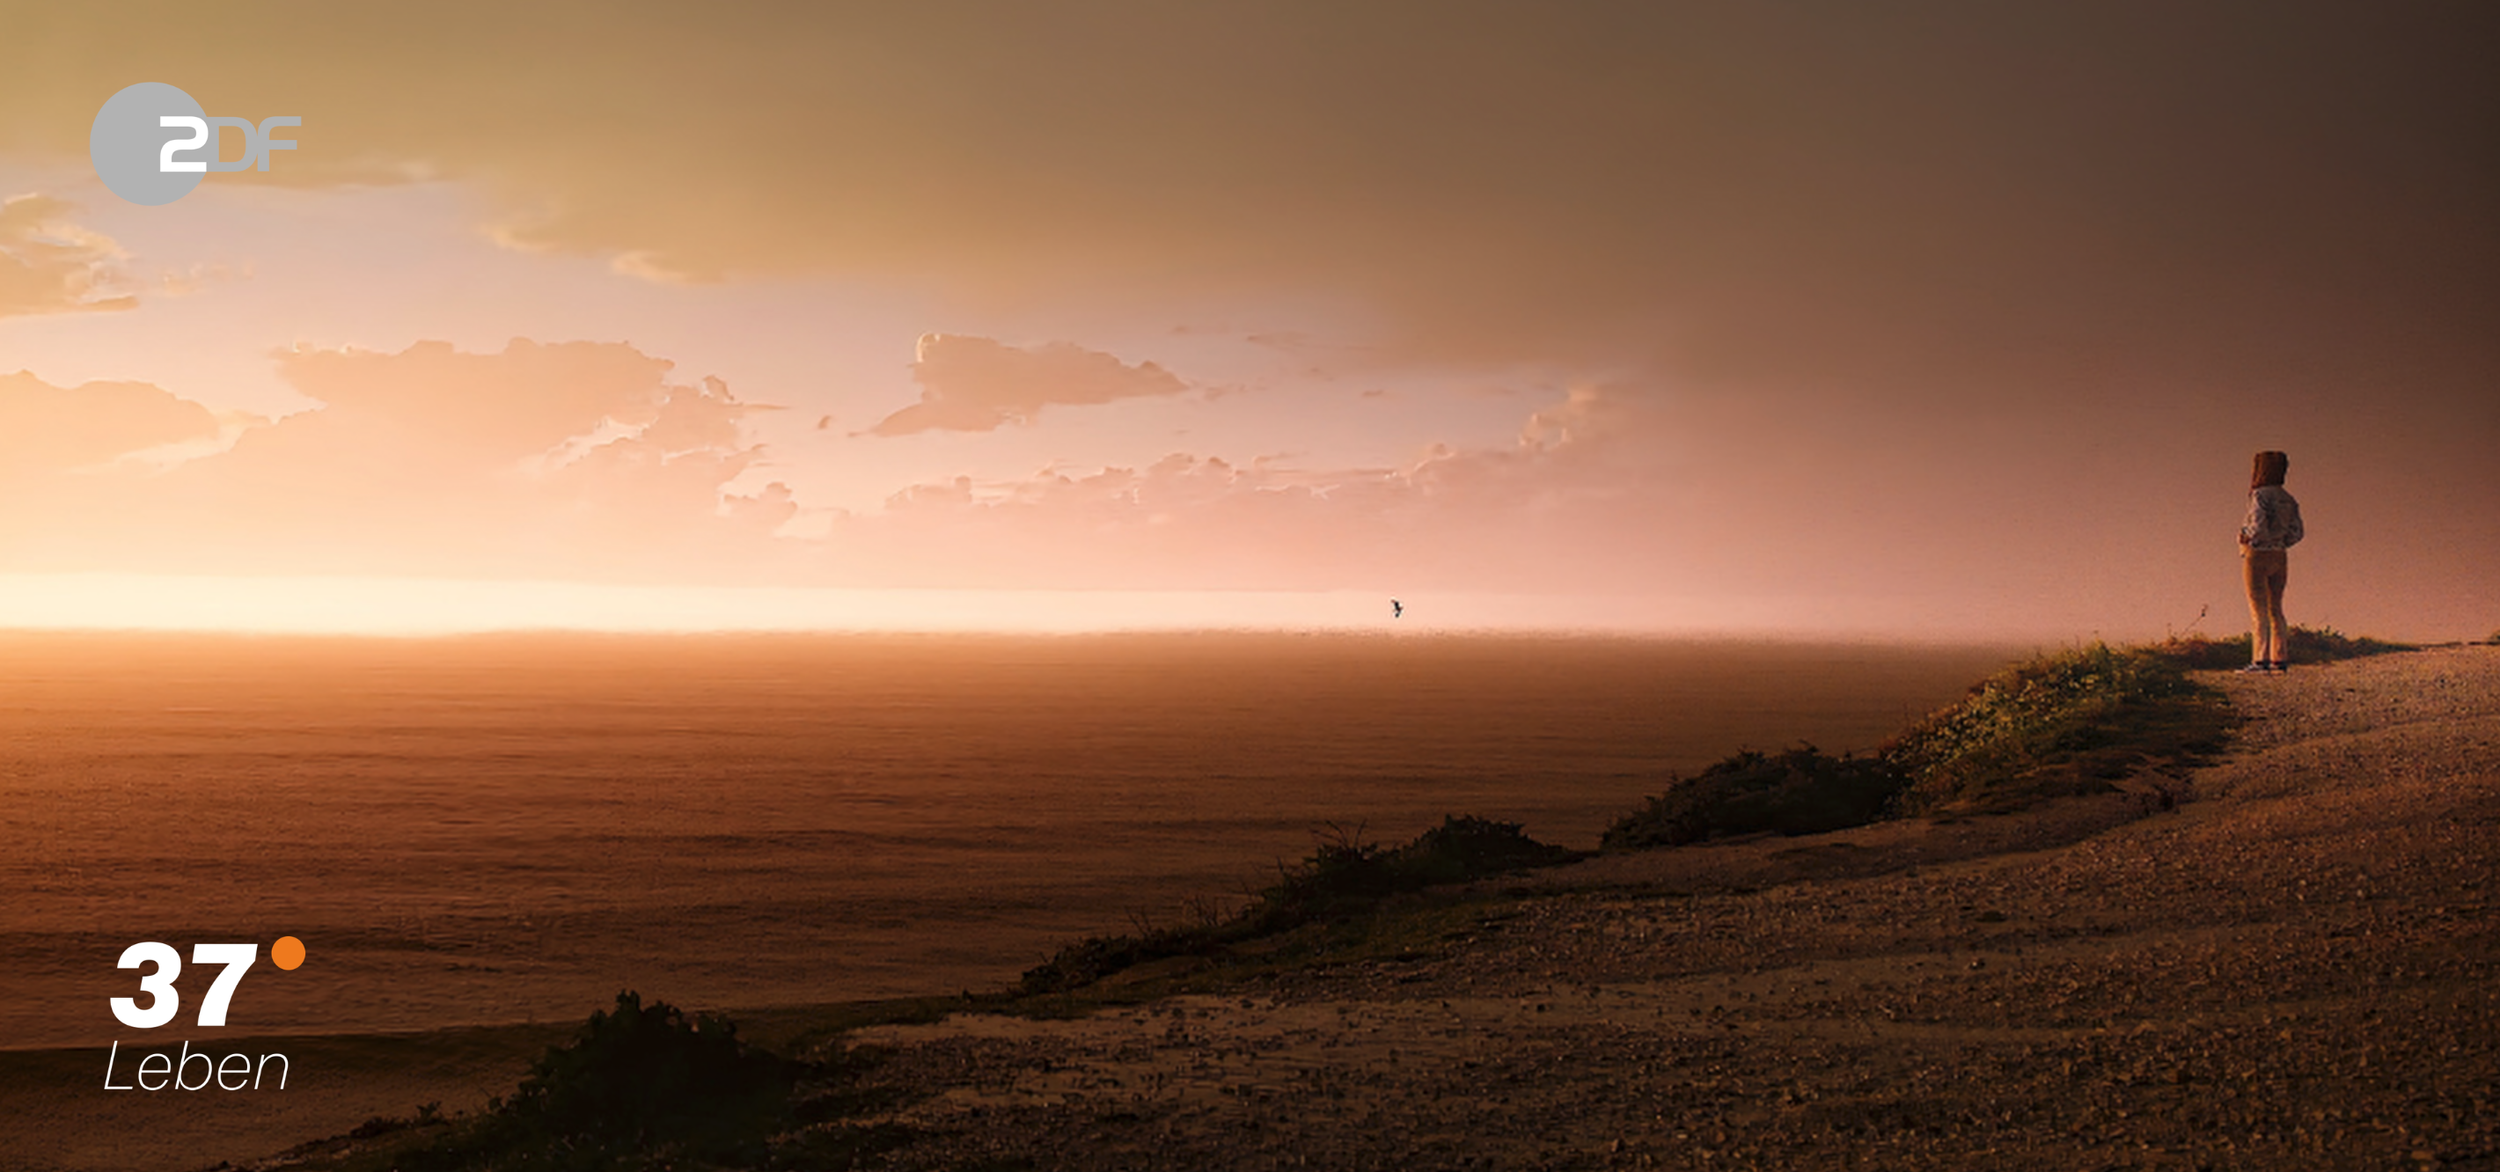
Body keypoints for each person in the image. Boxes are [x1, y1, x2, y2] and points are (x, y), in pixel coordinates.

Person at [2236, 450, 2304, 673]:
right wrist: (2281, 541)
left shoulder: (2259, 495)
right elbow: (2297, 532)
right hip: (2280, 555)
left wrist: (2247, 537)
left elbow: (2257, 524)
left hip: (2257, 555)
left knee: (2258, 608)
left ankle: (2260, 659)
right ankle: (2280, 659)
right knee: (2276, 608)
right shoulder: (2288, 498)